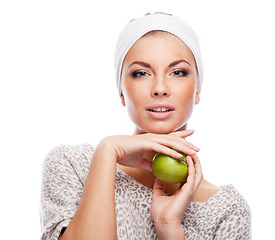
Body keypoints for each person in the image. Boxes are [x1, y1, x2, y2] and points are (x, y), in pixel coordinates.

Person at [40, 12, 251, 240]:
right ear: (121, 92)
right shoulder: (73, 165)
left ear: (198, 89)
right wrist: (108, 151)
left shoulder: (227, 211)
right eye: (141, 73)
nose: (160, 88)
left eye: (177, 72)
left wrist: (169, 227)